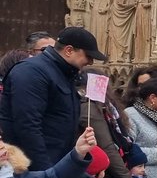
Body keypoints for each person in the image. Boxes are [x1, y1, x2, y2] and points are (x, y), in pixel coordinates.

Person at [0, 26, 105, 170]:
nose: (91, 62)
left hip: (57, 166)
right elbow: (28, 127)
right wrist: (45, 173)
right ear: (68, 50)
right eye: (88, 56)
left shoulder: (65, 74)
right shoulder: (32, 71)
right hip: (37, 170)